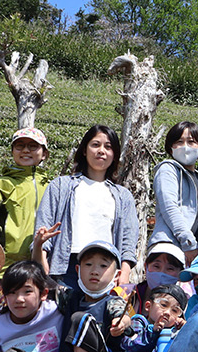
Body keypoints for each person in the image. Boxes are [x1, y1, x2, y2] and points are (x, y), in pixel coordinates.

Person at [0, 241, 131, 352]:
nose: (94, 271)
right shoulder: (69, 297)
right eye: (89, 264)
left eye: (103, 266)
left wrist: (122, 323)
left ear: (117, 275)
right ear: (78, 270)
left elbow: (123, 316)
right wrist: (38, 247)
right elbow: (40, 279)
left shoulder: (112, 302)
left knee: (81, 318)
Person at [33, 124, 139, 289]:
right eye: (95, 145)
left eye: (108, 147)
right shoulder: (60, 186)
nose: (101, 151)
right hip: (66, 266)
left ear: (115, 154)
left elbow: (128, 239)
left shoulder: (123, 196)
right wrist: (42, 259)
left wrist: (124, 272)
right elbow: (44, 227)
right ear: (84, 150)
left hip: (106, 269)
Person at [0, 126, 49, 273]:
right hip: (5, 269)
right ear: (12, 151)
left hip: (43, 267)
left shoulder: (50, 186)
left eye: (33, 146)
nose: (26, 151)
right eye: (20, 146)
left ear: (44, 154)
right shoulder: (1, 185)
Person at [152, 120, 198, 263]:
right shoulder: (168, 169)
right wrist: (188, 242)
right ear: (171, 147)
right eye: (179, 142)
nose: (185, 147)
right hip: (178, 249)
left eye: (191, 142)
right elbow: (169, 207)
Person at [119, 283, 186, 352]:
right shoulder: (139, 321)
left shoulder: (172, 332)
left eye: (175, 311)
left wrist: (184, 329)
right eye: (164, 305)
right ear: (148, 306)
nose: (167, 313)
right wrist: (152, 332)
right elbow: (130, 347)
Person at [126, 241, 186, 311]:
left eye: (170, 269)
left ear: (180, 274)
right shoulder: (125, 293)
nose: (161, 273)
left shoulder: (181, 308)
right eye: (156, 266)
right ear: (146, 267)